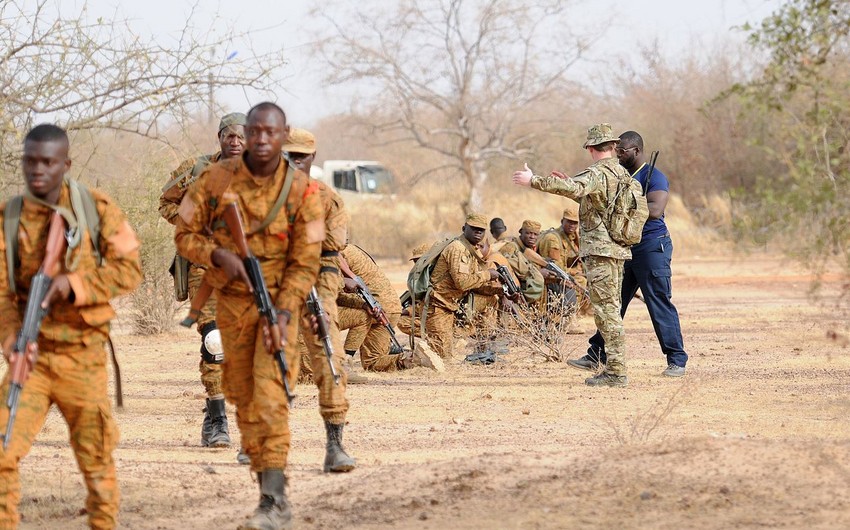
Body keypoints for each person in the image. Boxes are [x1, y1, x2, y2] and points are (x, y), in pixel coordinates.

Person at [175, 102, 323, 529]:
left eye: (269, 133)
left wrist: (284, 309)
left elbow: (307, 258)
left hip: (280, 306)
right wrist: (216, 253)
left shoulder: (304, 192)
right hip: (230, 303)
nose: (259, 140)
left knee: (272, 397)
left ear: (283, 134)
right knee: (243, 400)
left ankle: (273, 500)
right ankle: (263, 478)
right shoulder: (212, 179)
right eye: (253, 131)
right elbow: (184, 234)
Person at [0, 124, 142, 528]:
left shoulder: (96, 209)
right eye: (30, 161)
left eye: (48, 162)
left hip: (83, 358)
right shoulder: (9, 218)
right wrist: (12, 339)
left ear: (66, 164)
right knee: (2, 447)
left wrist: (74, 284)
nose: (38, 170)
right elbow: (1, 295)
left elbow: (130, 271)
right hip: (34, 357)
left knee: (95, 460)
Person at [512, 123, 632, 387]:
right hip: (618, 250)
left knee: (606, 312)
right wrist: (569, 182)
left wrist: (532, 181)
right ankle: (615, 368)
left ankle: (617, 372)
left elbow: (575, 189)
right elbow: (598, 204)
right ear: (612, 146)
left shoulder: (597, 172)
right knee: (610, 309)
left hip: (601, 253)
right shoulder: (622, 174)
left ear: (591, 148)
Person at [159, 112, 247, 450]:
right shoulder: (197, 169)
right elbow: (166, 202)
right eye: (229, 136)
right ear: (220, 138)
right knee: (215, 341)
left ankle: (218, 414)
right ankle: (218, 422)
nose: (235, 141)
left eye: (241, 136)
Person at [571, 131, 688, 377]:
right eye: (616, 150)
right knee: (612, 303)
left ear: (636, 151)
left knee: (658, 301)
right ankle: (597, 354)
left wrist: (630, 202)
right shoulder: (619, 175)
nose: (618, 154)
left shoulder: (653, 177)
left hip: (651, 246)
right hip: (623, 247)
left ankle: (676, 359)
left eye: (622, 151)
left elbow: (655, 210)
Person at [283, 128, 355, 472]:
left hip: (315, 287)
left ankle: (335, 444)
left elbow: (331, 249)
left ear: (313, 158)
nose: (293, 163)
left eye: (301, 157)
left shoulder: (329, 200)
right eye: (287, 156)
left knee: (329, 358)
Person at [337, 244, 437, 371]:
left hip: (373, 307)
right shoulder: (351, 250)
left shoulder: (335, 253)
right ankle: (412, 360)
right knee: (373, 362)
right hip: (391, 308)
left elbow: (333, 291)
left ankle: (345, 362)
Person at [424, 213, 501, 359]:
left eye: (481, 230)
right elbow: (463, 283)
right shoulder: (458, 249)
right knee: (442, 357)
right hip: (439, 306)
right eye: (474, 228)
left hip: (455, 304)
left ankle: (483, 348)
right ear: (464, 228)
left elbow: (474, 283)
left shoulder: (472, 250)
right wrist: (488, 275)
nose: (478, 232)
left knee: (491, 300)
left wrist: (499, 289)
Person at [537, 203, 587, 333]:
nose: (572, 226)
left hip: (559, 273)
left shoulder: (572, 238)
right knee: (572, 283)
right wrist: (570, 276)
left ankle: (572, 316)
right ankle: (566, 321)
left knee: (581, 280)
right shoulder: (553, 239)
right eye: (569, 222)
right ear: (562, 221)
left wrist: (576, 272)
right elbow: (554, 268)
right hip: (547, 276)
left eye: (575, 223)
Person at [497, 220, 546, 305]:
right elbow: (506, 270)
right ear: (521, 232)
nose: (532, 237)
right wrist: (536, 272)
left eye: (535, 234)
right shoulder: (511, 247)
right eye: (528, 233)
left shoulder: (530, 249)